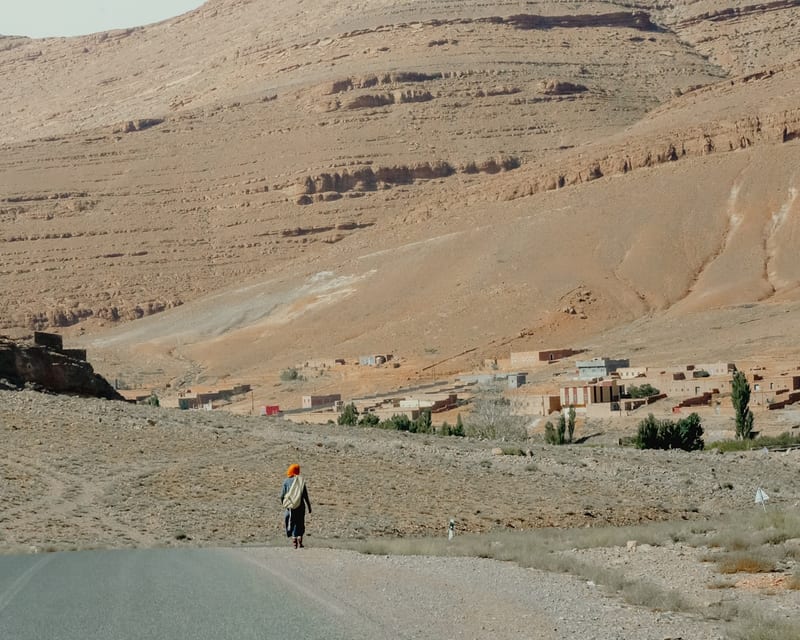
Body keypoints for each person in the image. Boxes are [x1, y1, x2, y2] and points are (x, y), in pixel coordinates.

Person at [281, 463, 311, 548]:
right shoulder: (301, 481)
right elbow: (305, 495)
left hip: (290, 506)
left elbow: (282, 495)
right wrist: (309, 506)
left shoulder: (286, 481)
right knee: (300, 522)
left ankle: (294, 541)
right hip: (301, 506)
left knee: (291, 522)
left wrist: (284, 503)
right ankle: (300, 540)